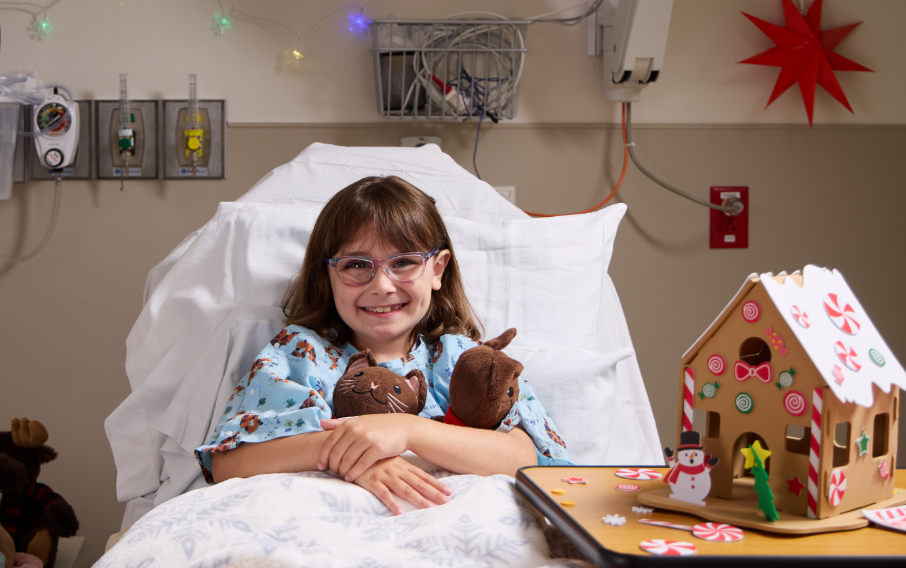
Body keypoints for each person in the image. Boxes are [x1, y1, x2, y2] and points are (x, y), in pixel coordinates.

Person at [195, 176, 571, 515]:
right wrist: (352, 455)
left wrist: (409, 432)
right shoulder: (301, 353)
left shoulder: (462, 359)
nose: (382, 286)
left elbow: (528, 457)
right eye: (357, 265)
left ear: (437, 270)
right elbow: (230, 461)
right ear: (328, 274)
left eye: (404, 262)